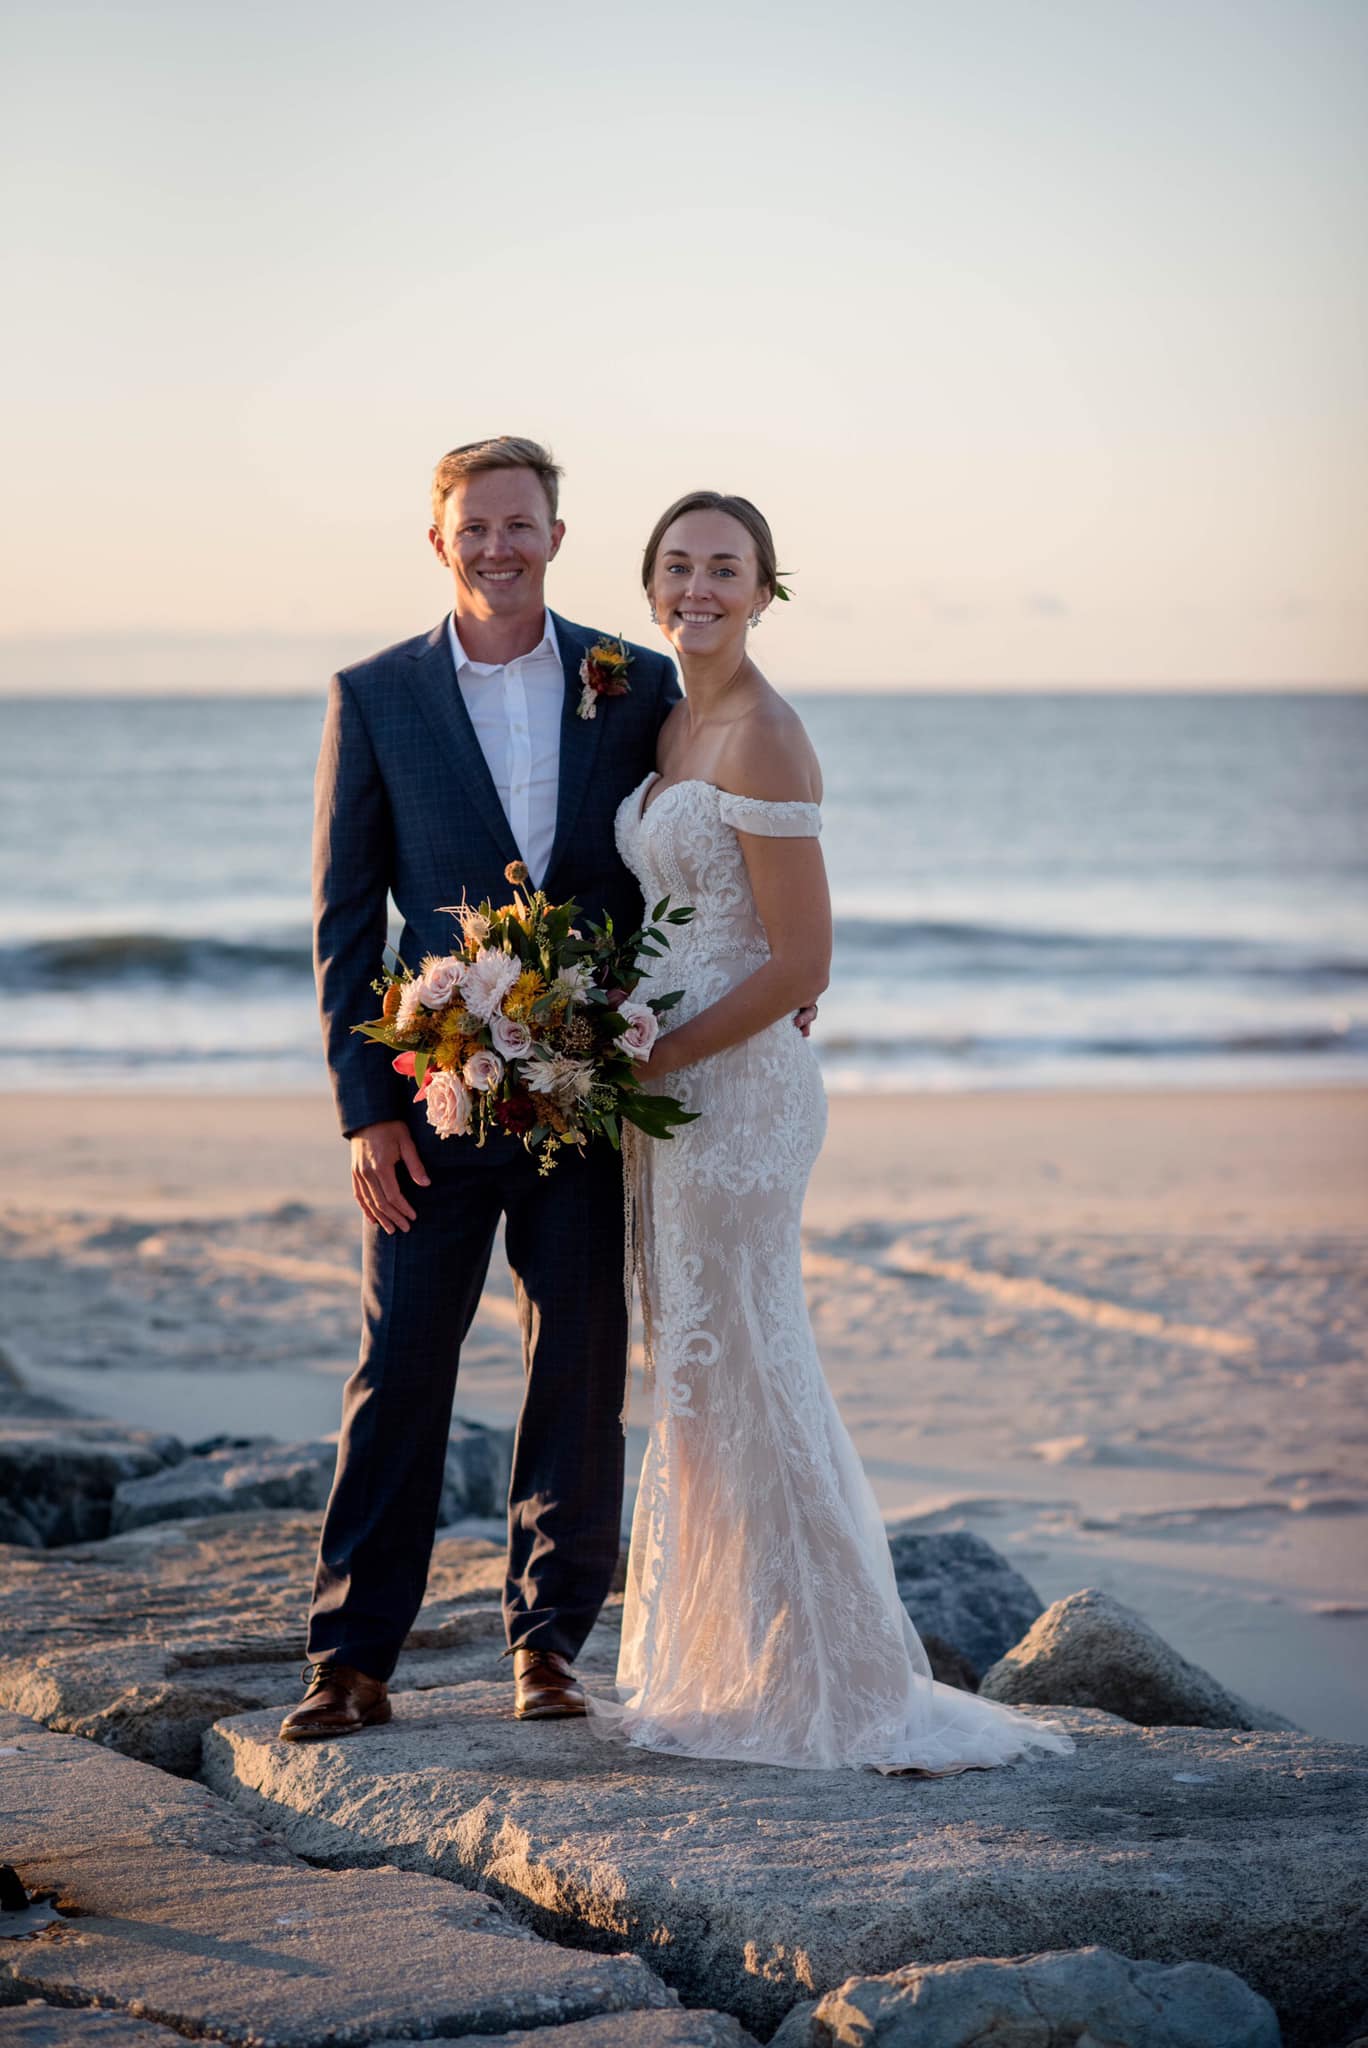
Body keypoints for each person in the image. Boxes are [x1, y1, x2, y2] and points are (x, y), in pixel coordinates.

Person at [282, 440, 816, 1740]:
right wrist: (365, 1108)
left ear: (558, 538)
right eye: (478, 528)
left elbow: (691, 844)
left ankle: (550, 1646)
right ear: (440, 541)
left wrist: (766, 966)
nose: (500, 548)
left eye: (522, 526)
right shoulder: (374, 694)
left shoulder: (626, 681)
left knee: (579, 1364)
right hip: (434, 1099)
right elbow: (347, 917)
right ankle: (351, 1661)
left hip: (588, 1094)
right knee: (401, 1363)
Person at [586, 490, 1077, 1774]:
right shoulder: (671, 716)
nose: (700, 586)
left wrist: (663, 1046)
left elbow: (804, 959)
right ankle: (739, 1662)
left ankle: (842, 1684)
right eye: (679, 565)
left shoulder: (765, 734)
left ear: (765, 589)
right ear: (651, 586)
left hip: (737, 1098)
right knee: (700, 1380)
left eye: (726, 568)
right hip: (672, 1096)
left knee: (749, 1359)